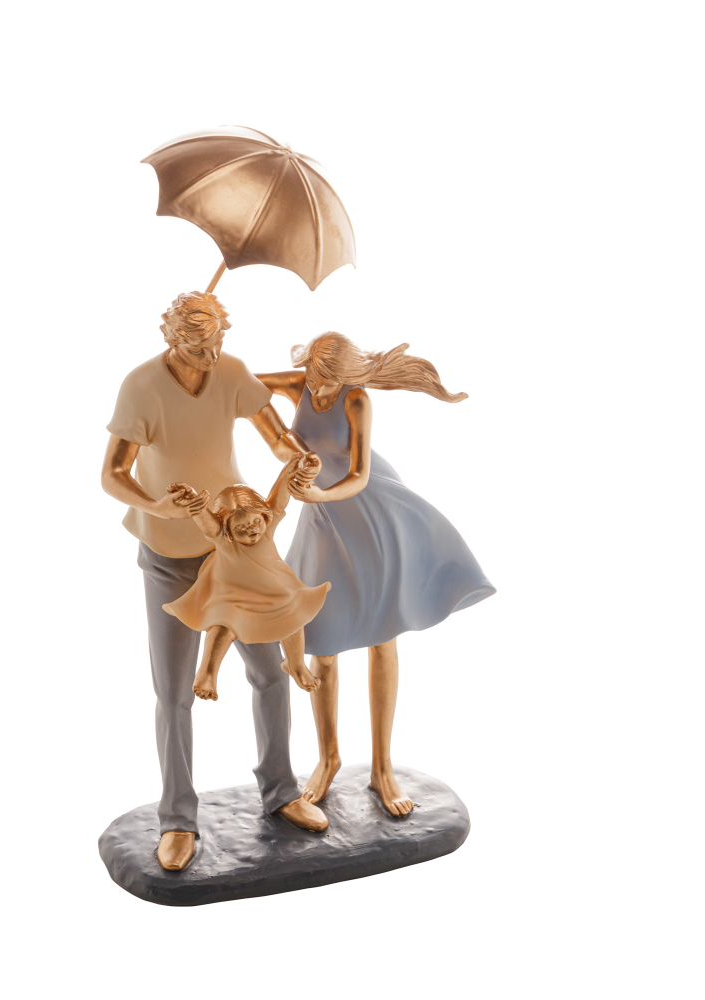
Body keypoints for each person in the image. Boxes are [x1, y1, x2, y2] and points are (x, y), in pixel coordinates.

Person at [101, 291, 327, 872]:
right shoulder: (141, 387)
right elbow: (112, 474)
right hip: (169, 554)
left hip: (236, 547)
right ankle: (178, 817)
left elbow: (274, 434)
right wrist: (159, 506)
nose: (212, 354)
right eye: (199, 345)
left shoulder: (229, 371)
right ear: (171, 336)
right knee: (175, 692)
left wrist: (297, 459)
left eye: (218, 341)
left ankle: (281, 790)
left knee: (270, 671)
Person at [257, 333, 496, 817]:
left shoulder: (357, 400)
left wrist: (317, 493)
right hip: (323, 521)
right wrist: (283, 445)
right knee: (321, 640)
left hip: (367, 510)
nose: (317, 384)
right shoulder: (298, 384)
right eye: (314, 373)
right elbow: (244, 387)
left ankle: (382, 768)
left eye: (328, 377)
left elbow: (359, 474)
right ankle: (328, 758)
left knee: (382, 636)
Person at [162, 456, 330, 702]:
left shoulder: (267, 527)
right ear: (228, 530)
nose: (252, 530)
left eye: (255, 522)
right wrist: (193, 501)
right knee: (222, 626)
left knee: (293, 616)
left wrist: (291, 469)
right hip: (232, 595)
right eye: (241, 528)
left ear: (264, 516)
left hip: (274, 590)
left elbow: (278, 496)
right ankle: (207, 672)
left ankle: (295, 664)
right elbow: (207, 522)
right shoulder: (222, 537)